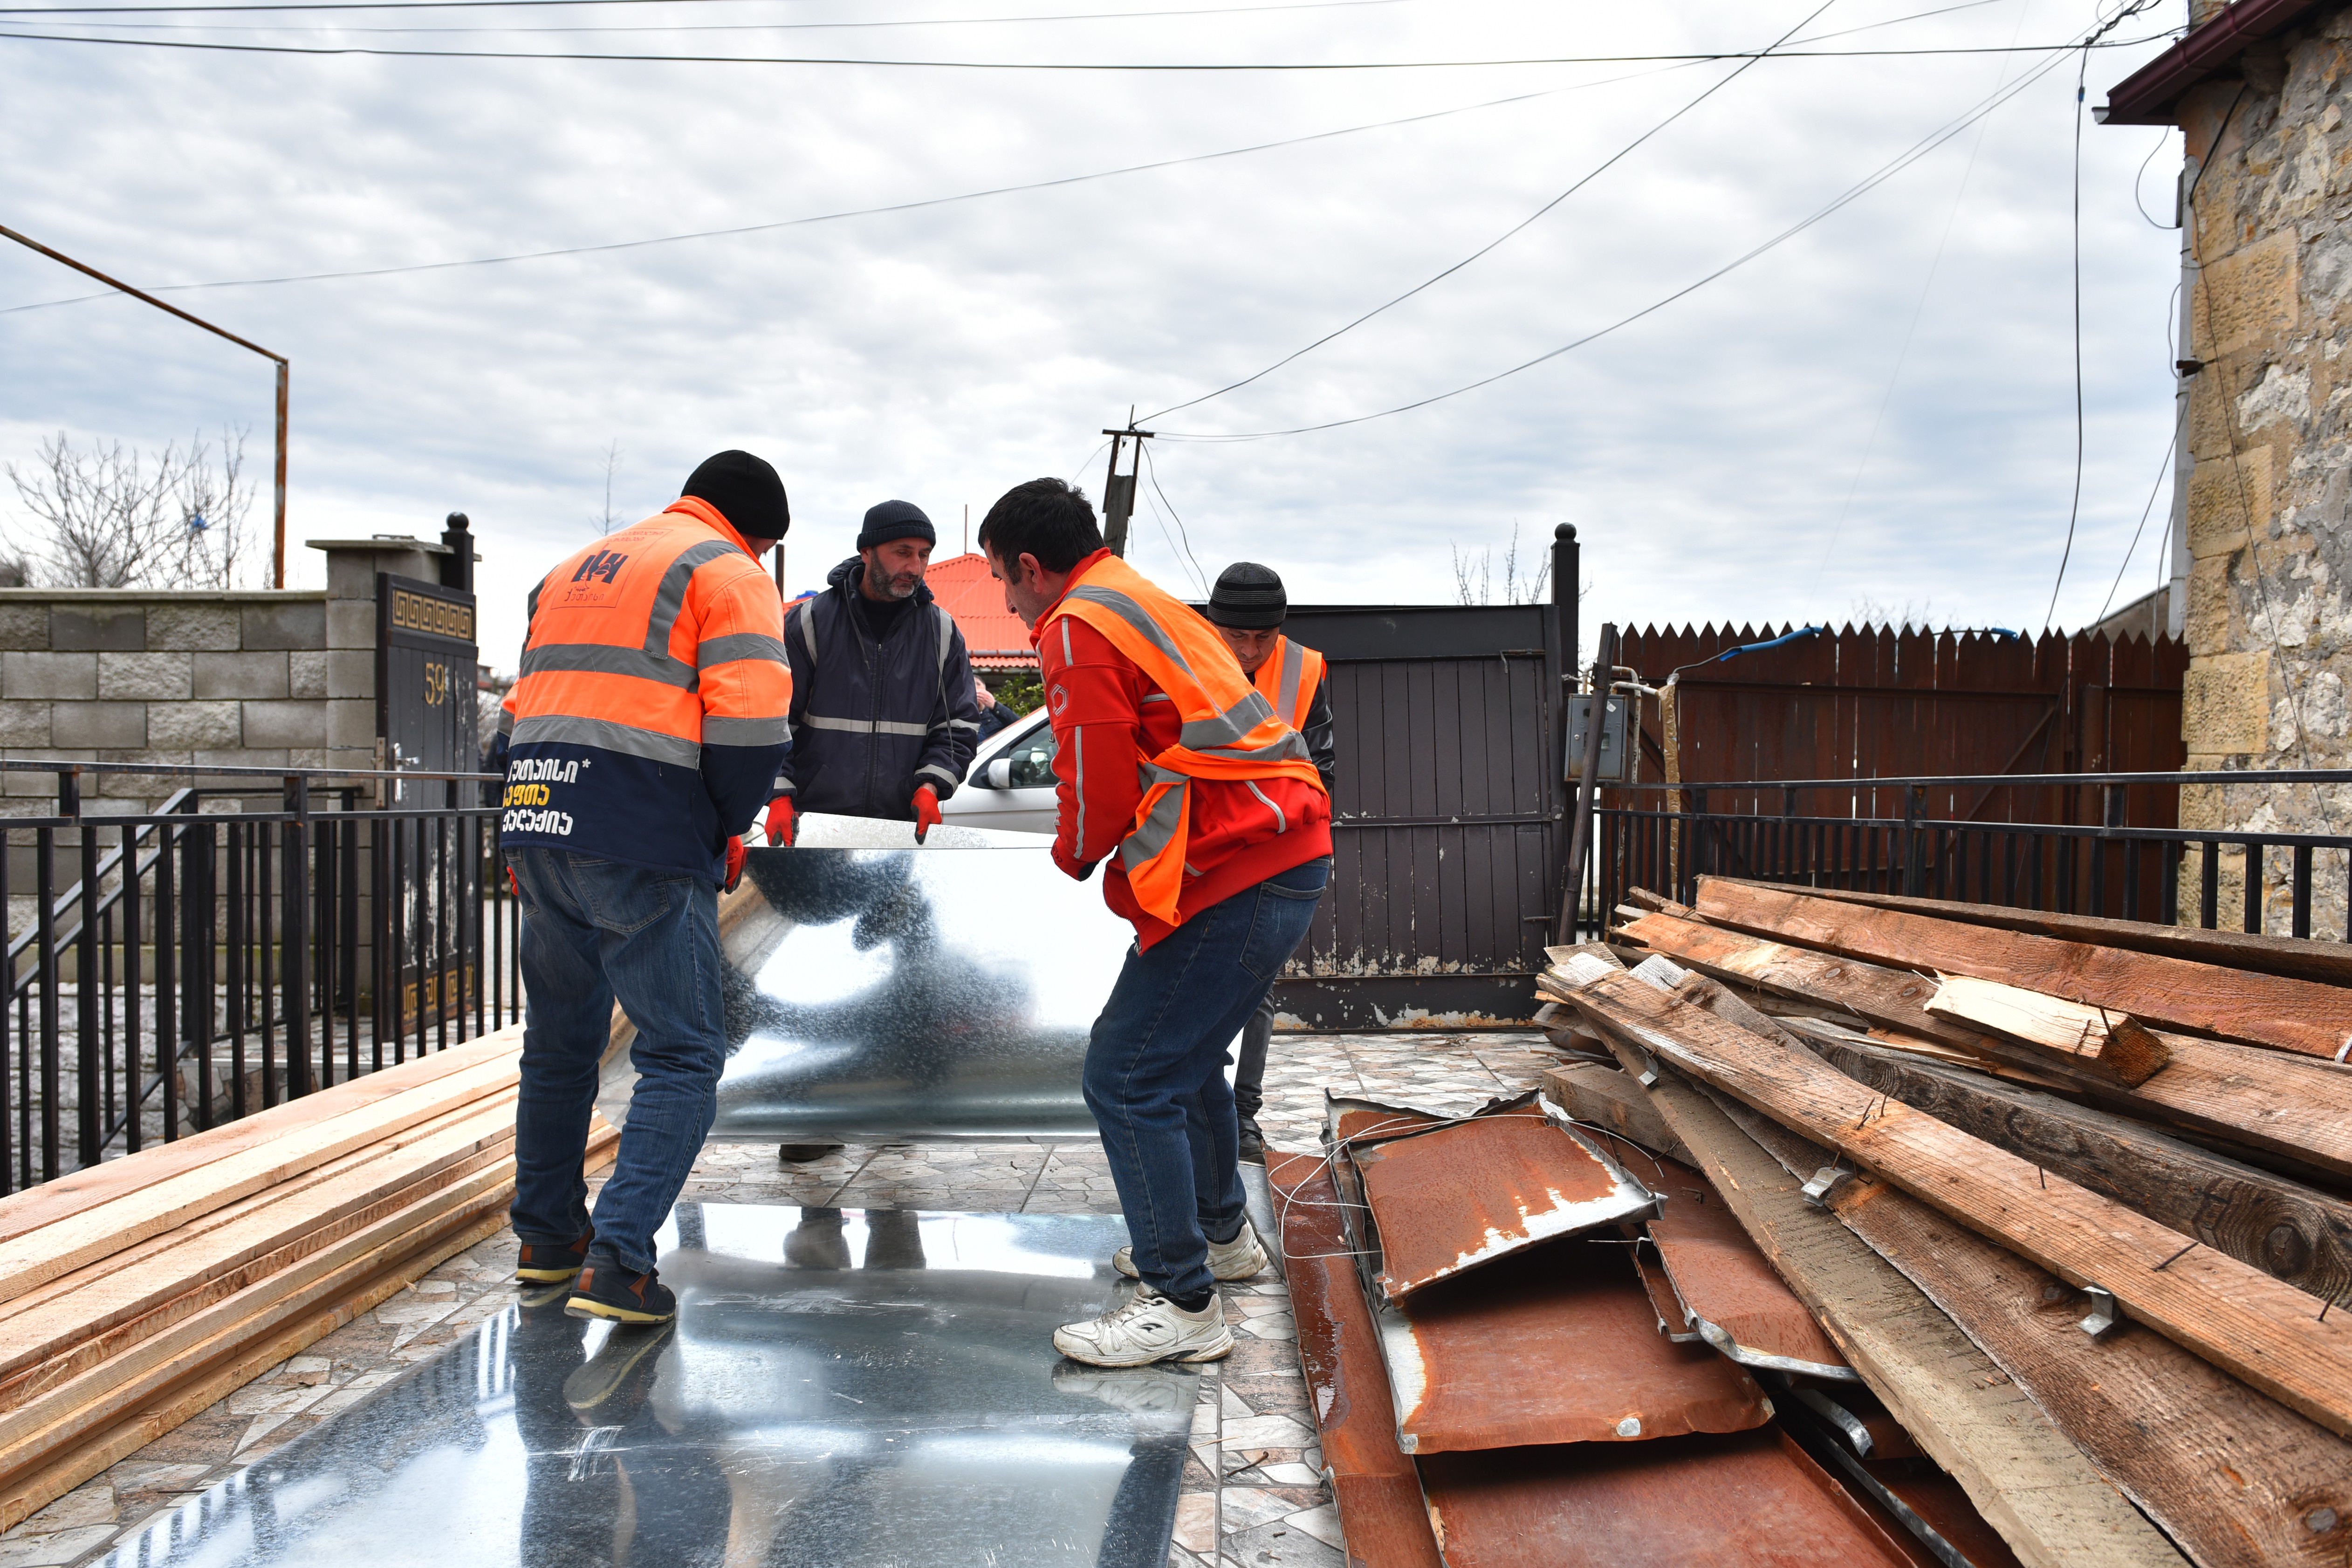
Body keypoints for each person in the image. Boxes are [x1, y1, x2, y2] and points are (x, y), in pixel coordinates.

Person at [978, 478, 1331, 1367]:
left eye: (1003, 582)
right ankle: (1220, 1238)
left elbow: (1095, 781)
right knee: (1179, 1064)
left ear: (1029, 565)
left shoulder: (1077, 622)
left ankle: (1181, 1300)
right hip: (1283, 851)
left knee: (1124, 1075)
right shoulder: (1140, 598)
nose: (1010, 603)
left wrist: (1069, 855)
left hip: (1237, 867)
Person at [499, 450, 793, 1326]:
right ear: (761, 533)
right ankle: (620, 1262)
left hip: (539, 815)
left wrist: (518, 826)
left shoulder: (571, 572)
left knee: (558, 1045)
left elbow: (521, 708)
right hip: (642, 829)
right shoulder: (725, 570)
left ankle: (549, 1240)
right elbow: (749, 728)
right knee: (682, 1050)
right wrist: (727, 823)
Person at [1201, 563, 1336, 1164]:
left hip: (1273, 855)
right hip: (1202, 853)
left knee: (1257, 989)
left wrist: (1280, 819)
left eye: (1265, 637)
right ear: (1213, 624)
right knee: (1194, 990)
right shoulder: (1185, 660)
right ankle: (1200, 1112)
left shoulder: (1305, 669)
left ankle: (1242, 1118)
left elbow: (1322, 770)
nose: (1252, 651)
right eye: (1239, 637)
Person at [764, 500, 979, 846]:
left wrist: (932, 784)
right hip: (811, 828)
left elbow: (958, 725)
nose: (915, 566)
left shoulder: (942, 632)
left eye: (923, 555)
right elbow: (771, 720)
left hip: (899, 834)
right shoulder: (809, 625)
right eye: (902, 552)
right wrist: (779, 793)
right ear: (866, 551)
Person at [974, 674, 1023, 741]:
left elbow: (1021, 726)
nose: (977, 699)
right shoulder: (958, 717)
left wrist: (995, 706)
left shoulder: (996, 714)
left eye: (981, 695)